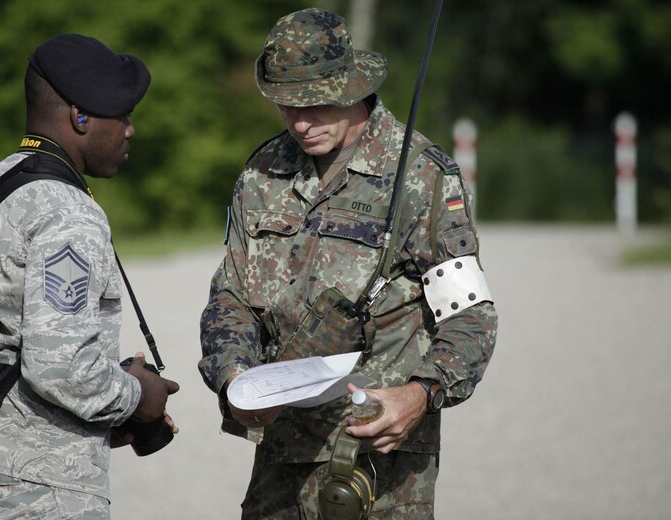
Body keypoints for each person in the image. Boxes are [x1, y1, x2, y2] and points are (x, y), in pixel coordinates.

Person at [199, 8, 498, 519]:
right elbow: (232, 298)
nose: (299, 122)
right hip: (282, 451)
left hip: (376, 461)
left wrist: (421, 394)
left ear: (351, 87)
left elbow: (471, 318)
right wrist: (235, 380)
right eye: (286, 105)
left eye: (314, 104)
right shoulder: (263, 172)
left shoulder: (421, 177)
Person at [0, 34, 179, 519]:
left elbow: (10, 338)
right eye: (121, 115)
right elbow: (62, 369)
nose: (130, 131)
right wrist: (139, 397)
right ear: (80, 117)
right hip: (34, 485)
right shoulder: (65, 210)